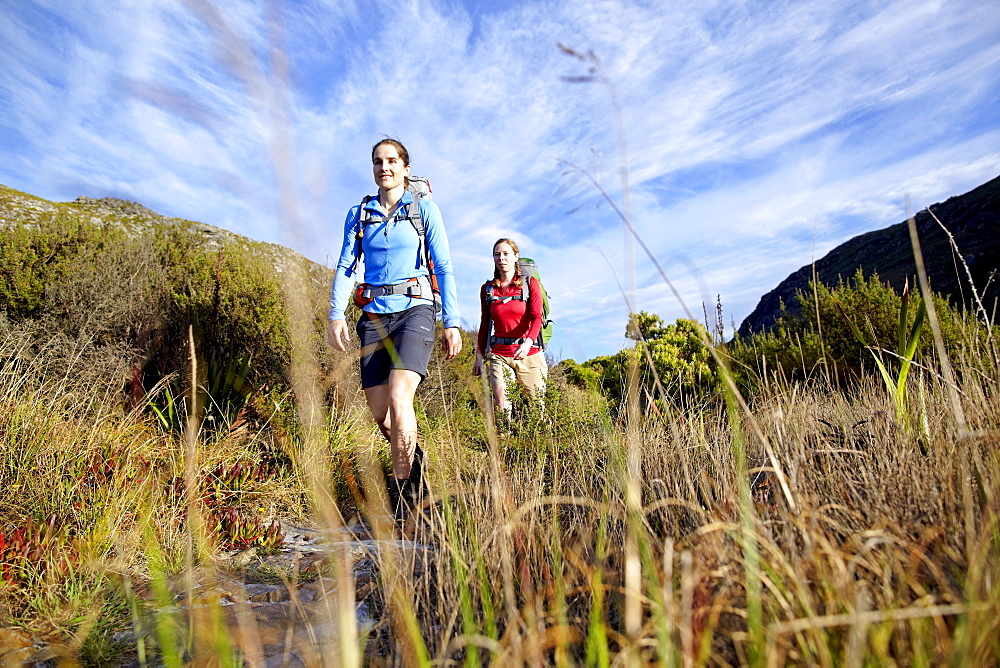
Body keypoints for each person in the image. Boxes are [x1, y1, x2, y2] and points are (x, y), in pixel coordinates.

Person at [327, 138, 462, 521]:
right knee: (382, 414)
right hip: (373, 316)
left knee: (402, 397)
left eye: (391, 161)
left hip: (415, 311)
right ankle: (414, 462)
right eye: (377, 162)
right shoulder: (359, 214)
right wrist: (336, 313)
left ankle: (404, 504)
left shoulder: (425, 210)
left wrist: (451, 322)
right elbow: (345, 266)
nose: (383, 167)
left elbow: (445, 267)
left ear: (405, 167)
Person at [473, 238, 548, 419]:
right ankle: (505, 445)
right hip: (499, 354)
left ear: (516, 257)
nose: (502, 258)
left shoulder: (530, 284)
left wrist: (528, 342)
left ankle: (544, 445)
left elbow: (536, 317)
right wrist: (479, 357)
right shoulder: (488, 289)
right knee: (502, 405)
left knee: (537, 409)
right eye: (497, 254)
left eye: (506, 254)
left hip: (529, 353)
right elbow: (485, 324)